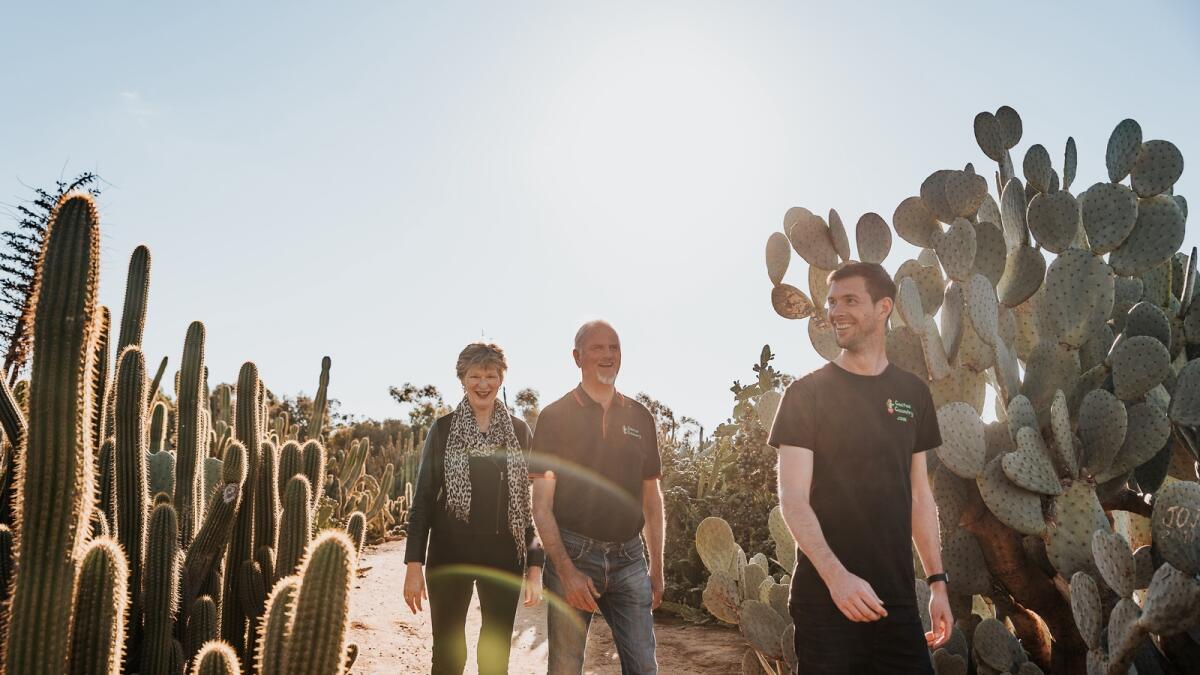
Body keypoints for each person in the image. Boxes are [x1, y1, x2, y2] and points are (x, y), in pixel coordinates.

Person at [768, 262, 952, 674]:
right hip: (826, 600)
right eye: (832, 302)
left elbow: (920, 496)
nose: (836, 312)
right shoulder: (805, 395)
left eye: (850, 300)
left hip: (897, 600)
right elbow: (792, 499)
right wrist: (838, 579)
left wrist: (938, 584)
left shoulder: (913, 394)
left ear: (883, 307)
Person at [530, 320, 664, 675]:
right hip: (573, 554)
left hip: (630, 558)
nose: (608, 355)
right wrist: (566, 571)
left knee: (644, 668)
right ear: (577, 357)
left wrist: (657, 567)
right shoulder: (554, 417)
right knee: (565, 668)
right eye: (597, 348)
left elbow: (652, 500)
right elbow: (541, 507)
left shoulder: (640, 417)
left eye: (614, 347)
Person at [403, 342, 544, 675]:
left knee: (494, 658)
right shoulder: (443, 430)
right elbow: (422, 500)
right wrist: (413, 564)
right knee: (449, 656)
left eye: (491, 375)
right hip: (449, 555)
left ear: (501, 379)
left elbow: (528, 507)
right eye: (475, 375)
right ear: (462, 379)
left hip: (503, 556)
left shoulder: (520, 431)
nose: (483, 383)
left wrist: (535, 566)